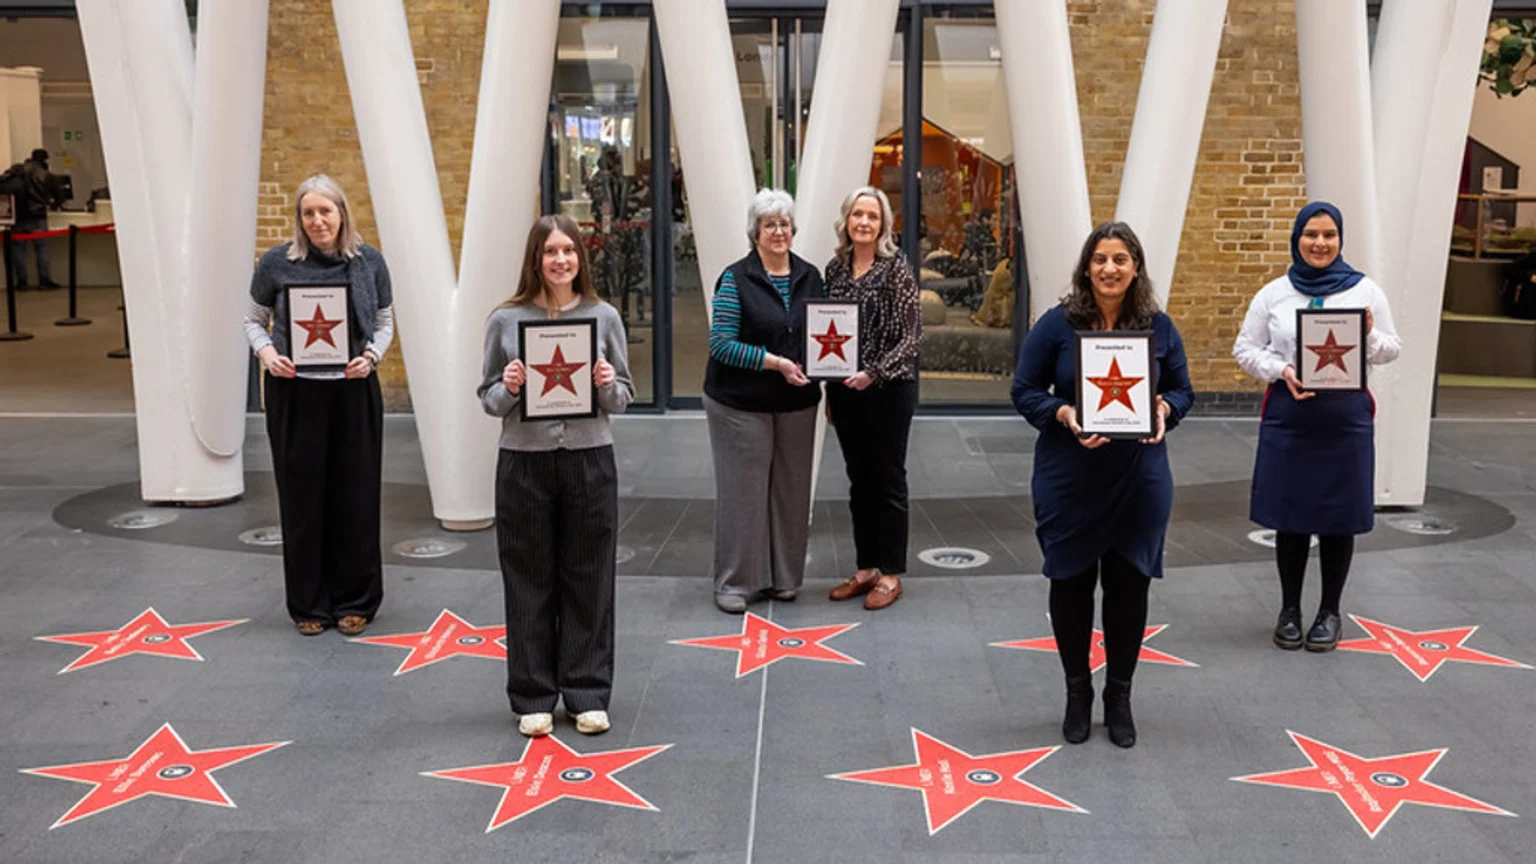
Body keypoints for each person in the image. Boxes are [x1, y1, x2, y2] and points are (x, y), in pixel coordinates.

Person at [1011, 222, 1194, 749]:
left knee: (1128, 585)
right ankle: (1076, 693)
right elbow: (1024, 390)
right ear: (1086, 267)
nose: (1109, 269)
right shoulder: (1055, 325)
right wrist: (1064, 411)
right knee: (1069, 585)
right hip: (1070, 476)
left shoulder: (1159, 328)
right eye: (1100, 259)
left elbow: (1183, 390)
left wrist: (1165, 408)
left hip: (1139, 478)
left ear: (1135, 267)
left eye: (1120, 259)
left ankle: (1119, 695)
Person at [478, 214, 633, 738]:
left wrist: (609, 382)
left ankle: (588, 691)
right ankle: (534, 695)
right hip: (524, 462)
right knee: (528, 577)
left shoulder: (603, 316)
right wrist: (513, 385)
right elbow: (489, 400)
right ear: (536, 259)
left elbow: (622, 399)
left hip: (590, 459)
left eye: (568, 250)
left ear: (580, 258)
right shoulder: (506, 319)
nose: (560, 259)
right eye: (550, 251)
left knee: (590, 576)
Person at [1233, 201, 1400, 653]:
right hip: (1291, 417)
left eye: (1328, 235)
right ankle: (1289, 609)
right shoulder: (1274, 293)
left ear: (1340, 239)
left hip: (1344, 420)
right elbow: (1245, 349)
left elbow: (1391, 349)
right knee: (1290, 516)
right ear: (1297, 238)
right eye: (1310, 234)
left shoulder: (1366, 291)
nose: (1320, 243)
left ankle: (1329, 611)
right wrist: (1281, 369)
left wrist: (1366, 334)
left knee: (1337, 517)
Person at [243, 174, 393, 638]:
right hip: (295, 393)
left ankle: (356, 601)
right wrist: (268, 355)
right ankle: (308, 603)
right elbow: (253, 319)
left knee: (357, 498)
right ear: (299, 218)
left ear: (342, 213)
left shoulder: (369, 263)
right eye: (308, 213)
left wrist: (371, 357)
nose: (317, 220)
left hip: (353, 391)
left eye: (325, 211)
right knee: (302, 500)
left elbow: (385, 321)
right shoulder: (275, 263)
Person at [704, 188, 823, 614]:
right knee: (744, 492)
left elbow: (823, 333)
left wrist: (821, 365)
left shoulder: (811, 276)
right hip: (740, 403)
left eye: (785, 224)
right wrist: (776, 363)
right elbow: (721, 345)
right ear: (755, 232)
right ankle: (735, 582)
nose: (778, 231)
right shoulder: (735, 278)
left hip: (797, 401)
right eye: (769, 224)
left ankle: (784, 579)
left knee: (791, 491)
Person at [823, 187, 921, 611]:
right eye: (858, 215)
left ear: (883, 225)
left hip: (888, 389)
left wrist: (873, 373)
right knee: (858, 481)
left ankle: (892, 573)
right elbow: (824, 331)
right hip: (846, 392)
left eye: (873, 216)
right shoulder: (835, 269)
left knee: (888, 480)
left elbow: (912, 337)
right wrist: (830, 389)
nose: (864, 222)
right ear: (847, 220)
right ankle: (866, 569)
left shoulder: (896, 269)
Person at [7, 149, 62, 290]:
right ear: (44, 160)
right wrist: (54, 204)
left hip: (18, 216)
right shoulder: (46, 175)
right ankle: (44, 280)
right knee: (41, 249)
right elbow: (59, 197)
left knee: (18, 250)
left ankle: (22, 282)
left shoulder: (17, 172)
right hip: (38, 216)